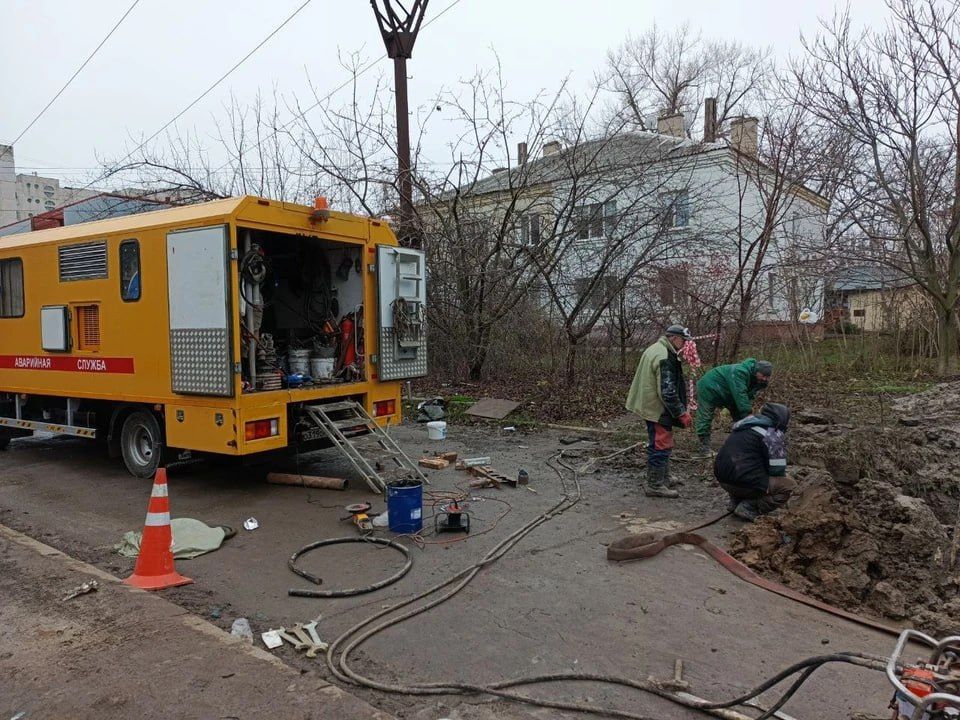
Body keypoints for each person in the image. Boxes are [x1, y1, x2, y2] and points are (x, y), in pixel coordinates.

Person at [625, 325, 693, 498]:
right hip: (657, 408)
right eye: (683, 341)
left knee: (661, 442)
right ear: (674, 338)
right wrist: (681, 413)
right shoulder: (664, 356)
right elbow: (667, 391)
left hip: (650, 403)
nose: (685, 344)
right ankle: (655, 485)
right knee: (660, 444)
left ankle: (663, 477)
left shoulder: (656, 349)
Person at [713, 402, 796, 521]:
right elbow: (777, 470)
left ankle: (736, 501)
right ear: (782, 420)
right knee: (788, 486)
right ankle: (750, 506)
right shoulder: (772, 433)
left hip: (723, 479)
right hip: (743, 483)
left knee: (748, 469)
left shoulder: (745, 426)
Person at [694, 358, 773, 457]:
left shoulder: (758, 380)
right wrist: (748, 415)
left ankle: (743, 442)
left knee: (740, 417)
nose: (765, 379)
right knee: (706, 416)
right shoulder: (739, 372)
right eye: (763, 375)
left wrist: (745, 418)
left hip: (728, 392)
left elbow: (748, 396)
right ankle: (704, 448)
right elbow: (740, 394)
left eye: (768, 377)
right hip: (709, 387)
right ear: (757, 371)